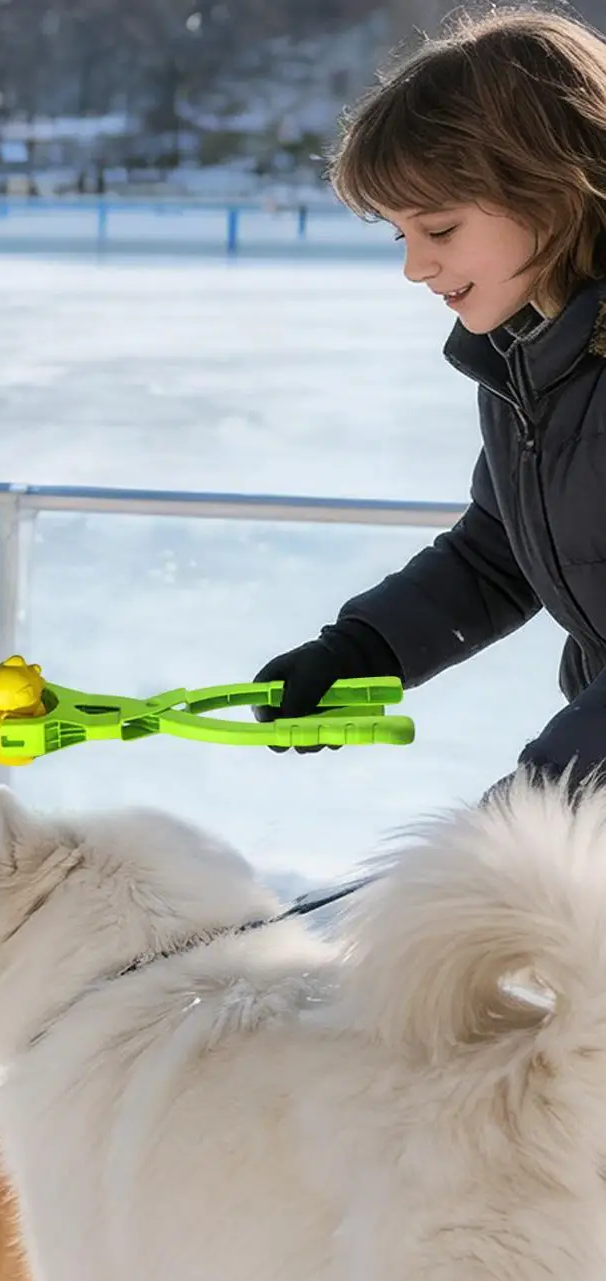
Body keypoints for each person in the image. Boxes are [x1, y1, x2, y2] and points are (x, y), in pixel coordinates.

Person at [252, 10, 606, 787]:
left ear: (553, 190)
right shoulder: (530, 356)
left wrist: (548, 795)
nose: (415, 267)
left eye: (439, 228)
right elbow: (502, 549)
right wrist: (364, 650)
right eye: (399, 234)